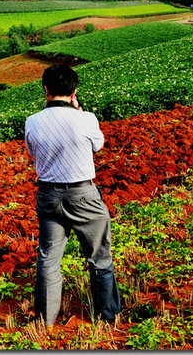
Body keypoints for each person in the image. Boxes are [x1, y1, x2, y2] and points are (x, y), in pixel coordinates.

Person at [24, 64, 121, 326]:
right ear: (74, 91)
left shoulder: (31, 121)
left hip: (48, 196)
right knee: (99, 257)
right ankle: (107, 317)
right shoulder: (86, 118)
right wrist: (80, 112)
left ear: (45, 90)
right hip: (84, 195)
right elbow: (98, 146)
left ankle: (44, 322)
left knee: (48, 259)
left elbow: (33, 151)